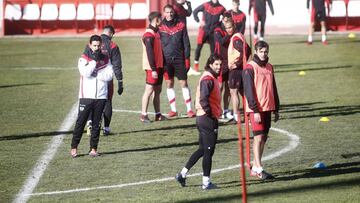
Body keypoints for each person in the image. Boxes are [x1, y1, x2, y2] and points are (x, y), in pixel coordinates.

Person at [175, 54, 223, 190]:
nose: (219, 67)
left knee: (202, 149)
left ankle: (182, 174)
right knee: (209, 151)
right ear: (210, 64)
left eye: (220, 64)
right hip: (207, 119)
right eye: (216, 65)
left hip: (202, 118)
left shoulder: (209, 76)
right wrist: (211, 115)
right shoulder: (208, 78)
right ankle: (206, 183)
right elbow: (203, 100)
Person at [70, 35, 114, 158]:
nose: (96, 48)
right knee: (80, 122)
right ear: (90, 45)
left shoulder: (106, 59)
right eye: (94, 45)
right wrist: (94, 62)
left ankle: (93, 148)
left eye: (98, 46)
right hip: (86, 96)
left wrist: (98, 74)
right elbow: (85, 73)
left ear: (102, 45)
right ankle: (74, 147)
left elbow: (109, 76)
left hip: (101, 96)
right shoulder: (83, 59)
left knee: (96, 124)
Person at [242, 41, 279, 180]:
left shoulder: (270, 67)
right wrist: (255, 110)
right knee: (257, 138)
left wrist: (276, 108)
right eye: (261, 51)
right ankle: (259, 169)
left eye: (266, 52)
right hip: (255, 110)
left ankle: (256, 167)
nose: (264, 54)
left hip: (268, 108)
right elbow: (249, 91)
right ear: (256, 52)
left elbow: (273, 88)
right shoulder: (249, 68)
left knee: (263, 138)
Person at [86, 25, 123, 136]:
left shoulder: (92, 43)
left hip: (92, 77)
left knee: (91, 100)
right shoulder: (113, 45)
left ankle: (90, 123)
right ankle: (106, 128)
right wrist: (120, 81)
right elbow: (117, 66)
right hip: (106, 79)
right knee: (107, 102)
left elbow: (85, 59)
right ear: (111, 34)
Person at [159, 5, 195, 118]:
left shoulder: (181, 25)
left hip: (179, 59)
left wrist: (187, 59)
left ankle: (189, 110)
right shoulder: (160, 27)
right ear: (164, 13)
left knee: (183, 83)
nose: (169, 14)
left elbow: (186, 43)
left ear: (174, 13)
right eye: (167, 12)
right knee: (169, 83)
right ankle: (173, 110)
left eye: (171, 12)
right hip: (166, 60)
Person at [140, 12, 166, 123]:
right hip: (152, 68)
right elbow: (150, 53)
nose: (162, 20)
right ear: (156, 19)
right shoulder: (148, 35)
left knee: (158, 90)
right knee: (149, 90)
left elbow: (159, 51)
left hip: (159, 66)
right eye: (161, 18)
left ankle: (158, 114)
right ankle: (143, 115)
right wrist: (154, 69)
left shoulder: (157, 32)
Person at [193, 0, 225, 72]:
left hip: (213, 33)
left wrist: (219, 25)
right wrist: (198, 21)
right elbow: (195, 11)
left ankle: (211, 67)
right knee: (198, 48)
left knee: (213, 51)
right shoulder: (206, 5)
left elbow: (226, 17)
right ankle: (196, 66)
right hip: (203, 31)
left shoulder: (221, 8)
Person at [214, 16, 235, 120]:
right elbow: (221, 42)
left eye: (228, 20)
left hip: (231, 63)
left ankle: (226, 111)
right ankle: (218, 110)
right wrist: (228, 34)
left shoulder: (234, 32)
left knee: (229, 88)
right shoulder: (218, 31)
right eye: (224, 20)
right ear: (222, 21)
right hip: (221, 63)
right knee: (220, 87)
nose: (226, 22)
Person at [227, 31, 251, 122]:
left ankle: (236, 116)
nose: (228, 30)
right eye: (226, 28)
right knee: (243, 93)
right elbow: (248, 49)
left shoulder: (235, 38)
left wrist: (237, 63)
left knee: (233, 92)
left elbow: (245, 50)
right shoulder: (241, 36)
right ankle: (247, 116)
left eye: (229, 27)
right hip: (243, 69)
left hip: (236, 70)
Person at [173, 0, 200, 76]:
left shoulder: (180, 7)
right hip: (178, 33)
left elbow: (188, 13)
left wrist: (189, 5)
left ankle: (187, 67)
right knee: (182, 49)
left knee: (186, 48)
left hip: (183, 32)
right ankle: (183, 68)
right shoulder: (175, 7)